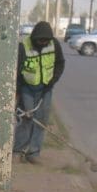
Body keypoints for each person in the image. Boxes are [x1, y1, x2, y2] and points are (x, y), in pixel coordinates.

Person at [13, 20, 65, 164]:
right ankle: (18, 151)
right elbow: (16, 70)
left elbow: (60, 63)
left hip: (46, 88)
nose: (43, 43)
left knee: (41, 121)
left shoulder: (54, 44)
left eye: (45, 41)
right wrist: (17, 91)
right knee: (26, 118)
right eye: (40, 40)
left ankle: (34, 153)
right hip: (27, 88)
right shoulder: (24, 46)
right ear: (35, 37)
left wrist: (52, 81)